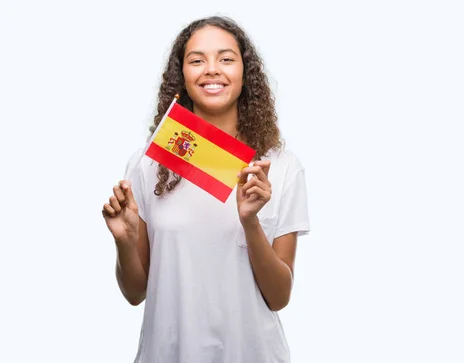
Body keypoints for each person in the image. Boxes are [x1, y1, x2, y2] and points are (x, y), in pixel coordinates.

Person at [101, 15, 310, 363]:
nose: (212, 69)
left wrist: (250, 221)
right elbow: (135, 292)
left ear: (246, 74)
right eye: (197, 60)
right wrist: (124, 241)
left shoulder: (280, 166)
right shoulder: (150, 162)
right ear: (181, 74)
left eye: (226, 59)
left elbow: (279, 297)